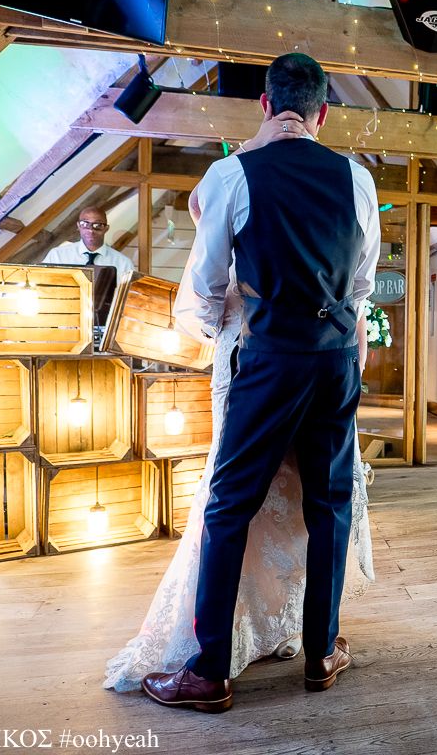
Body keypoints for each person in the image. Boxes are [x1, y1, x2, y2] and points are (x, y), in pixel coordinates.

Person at [136, 53, 381, 714]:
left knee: (229, 506)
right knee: (328, 506)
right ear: (323, 114)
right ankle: (321, 652)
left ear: (266, 106)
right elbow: (361, 284)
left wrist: (215, 329)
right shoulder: (357, 178)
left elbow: (203, 288)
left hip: (269, 359)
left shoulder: (231, 174)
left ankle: (209, 671)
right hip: (336, 360)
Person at [42, 205, 135, 278]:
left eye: (97, 225)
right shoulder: (57, 256)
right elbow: (40, 286)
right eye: (85, 224)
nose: (90, 230)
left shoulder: (123, 264)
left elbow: (130, 295)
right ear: (78, 226)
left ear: (106, 228)